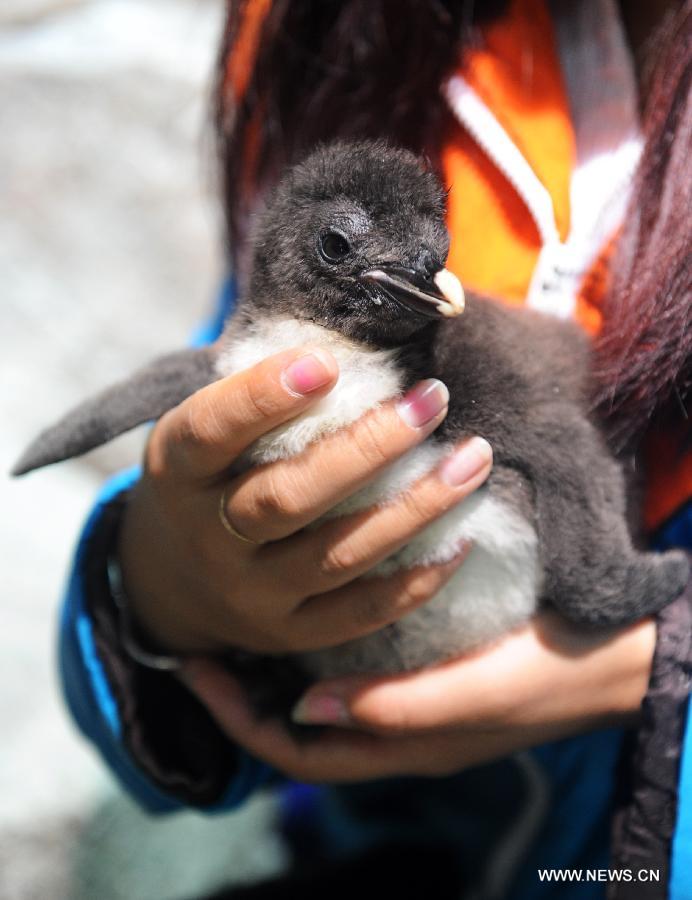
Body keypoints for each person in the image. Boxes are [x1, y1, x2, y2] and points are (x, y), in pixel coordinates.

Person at [59, 1, 692, 897]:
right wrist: (158, 589)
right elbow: (220, 362)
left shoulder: (467, 365)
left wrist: (657, 660)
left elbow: (559, 453)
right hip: (372, 851)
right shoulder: (332, 25)